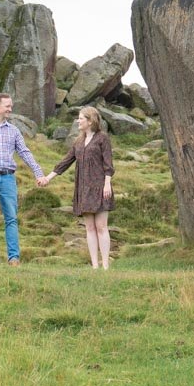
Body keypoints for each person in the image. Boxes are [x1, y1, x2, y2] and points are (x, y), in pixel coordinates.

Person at [0, 92, 47, 265]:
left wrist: (38, 172)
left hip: (7, 179)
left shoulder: (14, 131)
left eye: (11, 106)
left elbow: (24, 152)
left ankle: (14, 258)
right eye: (7, 106)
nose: (10, 109)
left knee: (11, 218)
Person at [43, 106, 115, 269]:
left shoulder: (102, 138)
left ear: (90, 121)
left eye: (81, 118)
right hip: (83, 189)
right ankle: (94, 265)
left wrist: (107, 184)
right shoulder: (78, 142)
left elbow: (108, 163)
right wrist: (48, 178)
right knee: (89, 227)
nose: (78, 121)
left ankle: (105, 266)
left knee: (101, 227)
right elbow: (65, 162)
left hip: (100, 187)